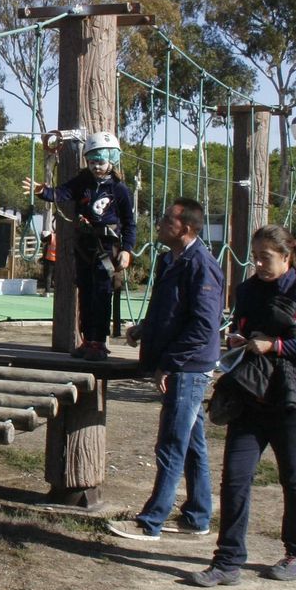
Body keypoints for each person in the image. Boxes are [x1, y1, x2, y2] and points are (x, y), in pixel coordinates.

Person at [191, 224, 296, 586]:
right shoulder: (248, 290)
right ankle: (227, 561)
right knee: (235, 478)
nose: (257, 263)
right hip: (251, 396)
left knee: (295, 477)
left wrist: (278, 346)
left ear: (286, 257)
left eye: (265, 257)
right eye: (254, 257)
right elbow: (243, 329)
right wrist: (238, 340)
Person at [108, 197, 223, 541]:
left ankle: (151, 521)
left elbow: (204, 325)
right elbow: (172, 310)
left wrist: (169, 364)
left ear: (185, 228)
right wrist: (145, 329)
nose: (159, 224)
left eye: (166, 220)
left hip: (188, 368)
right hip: (179, 363)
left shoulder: (201, 265)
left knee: (171, 443)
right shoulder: (169, 260)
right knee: (192, 444)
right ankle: (198, 516)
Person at [23, 131, 135, 360]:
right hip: (85, 246)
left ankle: (99, 342)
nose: (96, 167)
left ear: (112, 160)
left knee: (101, 294)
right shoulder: (83, 182)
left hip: (107, 248)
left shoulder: (119, 190)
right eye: (92, 162)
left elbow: (129, 223)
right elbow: (61, 193)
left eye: (100, 162)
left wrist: (126, 250)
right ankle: (87, 339)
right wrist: (42, 191)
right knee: (85, 292)